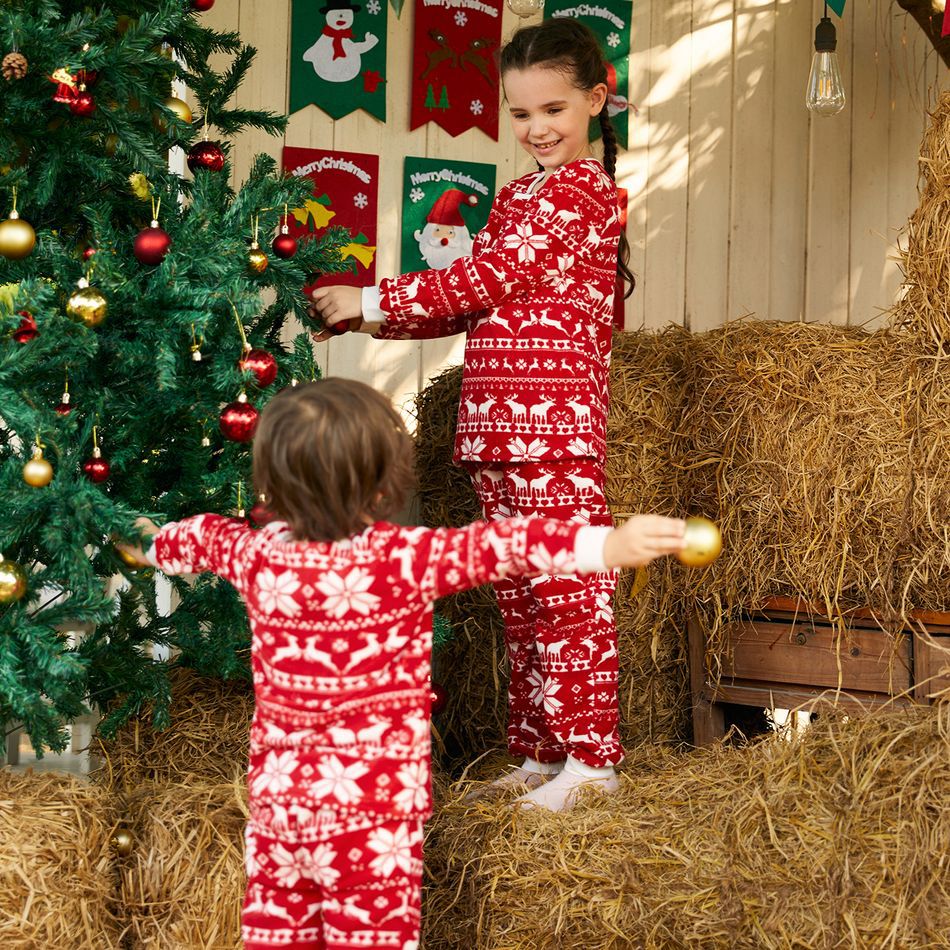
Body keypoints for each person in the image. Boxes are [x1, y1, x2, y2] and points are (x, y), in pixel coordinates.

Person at [117, 379, 684, 950]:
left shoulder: (258, 554)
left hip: (282, 808)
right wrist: (606, 545)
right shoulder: (404, 561)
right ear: (385, 482)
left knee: (278, 934)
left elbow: (194, 538)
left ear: (268, 483)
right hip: (376, 814)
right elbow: (505, 545)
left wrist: (144, 538)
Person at [310, 19, 636, 812]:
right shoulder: (521, 194)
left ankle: (593, 764)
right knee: (521, 603)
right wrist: (365, 319)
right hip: (495, 429)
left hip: (554, 431)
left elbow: (488, 278)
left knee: (569, 596)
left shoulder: (586, 193)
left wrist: (374, 293)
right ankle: (539, 753)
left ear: (595, 101)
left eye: (553, 110)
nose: (537, 130)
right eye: (520, 115)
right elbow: (473, 306)